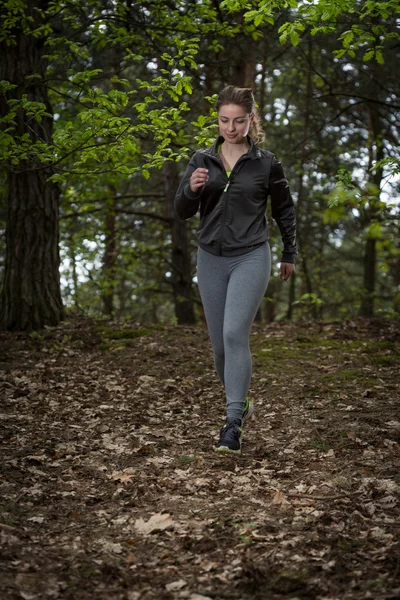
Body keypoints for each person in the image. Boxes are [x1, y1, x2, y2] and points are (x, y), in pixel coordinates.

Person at [174, 85, 297, 454]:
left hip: (251, 255)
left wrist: (289, 251)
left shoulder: (266, 163)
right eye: (224, 120)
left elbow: (284, 209)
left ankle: (232, 425)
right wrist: (192, 190)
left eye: (239, 121)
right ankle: (241, 401)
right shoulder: (201, 159)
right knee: (218, 348)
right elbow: (181, 210)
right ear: (218, 120)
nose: (231, 127)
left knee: (233, 334)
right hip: (210, 258)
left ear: (251, 120)